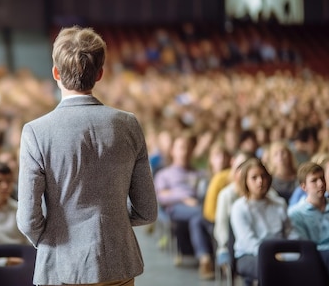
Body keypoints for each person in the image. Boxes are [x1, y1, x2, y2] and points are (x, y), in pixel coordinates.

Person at [17, 26, 157, 286]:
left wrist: (53, 239)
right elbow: (147, 211)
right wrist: (112, 220)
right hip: (119, 264)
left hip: (61, 265)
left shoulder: (36, 132)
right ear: (100, 74)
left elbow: (27, 219)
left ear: (56, 73)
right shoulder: (128, 124)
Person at [155, 133, 214, 280]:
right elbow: (161, 196)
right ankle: (210, 253)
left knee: (197, 218)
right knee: (200, 214)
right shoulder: (165, 174)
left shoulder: (198, 173)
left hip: (198, 207)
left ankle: (204, 259)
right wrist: (183, 197)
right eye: (181, 148)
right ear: (173, 151)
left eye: (188, 148)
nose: (185, 151)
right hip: (176, 208)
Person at [288, 162, 329, 285]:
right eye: (314, 181)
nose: (321, 184)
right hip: (314, 259)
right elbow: (305, 247)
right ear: (304, 187)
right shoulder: (296, 214)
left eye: (322, 178)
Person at [230, 158, 297, 280]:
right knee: (271, 267)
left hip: (281, 250)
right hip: (250, 254)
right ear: (245, 181)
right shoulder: (239, 208)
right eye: (254, 178)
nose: (260, 181)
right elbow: (248, 242)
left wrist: (295, 249)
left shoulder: (279, 203)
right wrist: (271, 254)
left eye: (263, 176)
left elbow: (290, 232)